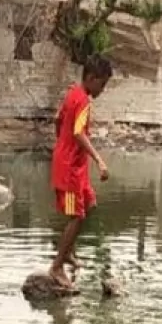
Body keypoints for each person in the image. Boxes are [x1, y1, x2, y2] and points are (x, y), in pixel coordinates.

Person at [49, 55, 113, 289]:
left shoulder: (72, 93)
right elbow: (78, 132)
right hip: (71, 168)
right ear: (91, 78)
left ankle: (68, 253)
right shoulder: (84, 102)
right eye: (102, 84)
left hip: (71, 164)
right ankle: (56, 266)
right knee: (77, 216)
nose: (102, 90)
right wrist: (99, 160)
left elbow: (58, 120)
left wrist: (60, 145)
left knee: (88, 204)